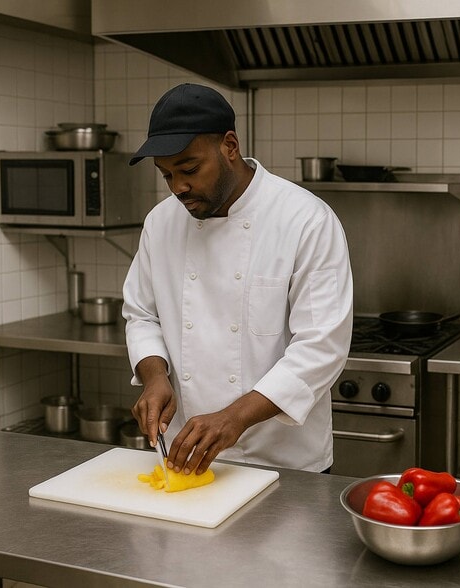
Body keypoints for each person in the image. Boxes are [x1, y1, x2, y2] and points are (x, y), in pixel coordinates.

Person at [123, 83, 353, 476]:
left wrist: (234, 418)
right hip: (188, 459)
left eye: (190, 170)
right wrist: (154, 377)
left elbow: (321, 347)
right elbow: (142, 315)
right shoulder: (160, 223)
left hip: (284, 465)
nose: (178, 187)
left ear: (229, 146)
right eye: (167, 175)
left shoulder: (305, 220)